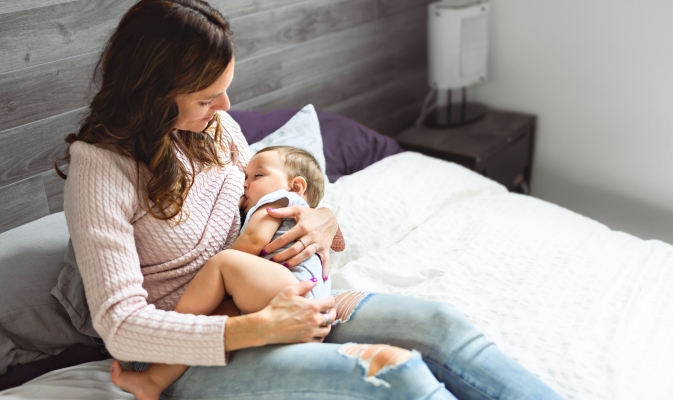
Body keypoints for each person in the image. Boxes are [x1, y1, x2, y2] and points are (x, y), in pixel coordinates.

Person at [58, 0, 564, 398]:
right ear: (151, 93)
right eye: (207, 97)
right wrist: (257, 327)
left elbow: (274, 191)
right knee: (394, 374)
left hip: (273, 296)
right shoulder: (100, 169)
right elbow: (121, 327)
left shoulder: (216, 130)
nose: (226, 107)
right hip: (188, 351)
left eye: (225, 90)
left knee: (443, 325)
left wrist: (323, 217)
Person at [110, 146, 332, 400]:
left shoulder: (280, 201)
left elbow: (252, 242)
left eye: (257, 176)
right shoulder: (293, 211)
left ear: (296, 186)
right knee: (216, 322)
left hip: (294, 289)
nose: (245, 185)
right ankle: (153, 380)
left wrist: (221, 276)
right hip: (310, 305)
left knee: (224, 262)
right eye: (245, 178)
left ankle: (179, 325)